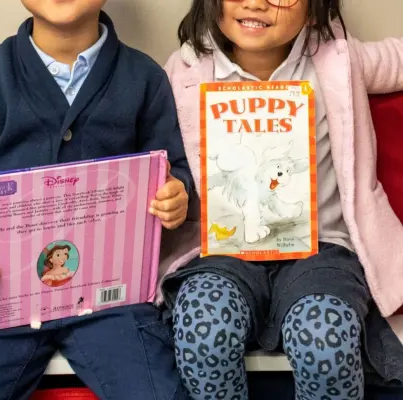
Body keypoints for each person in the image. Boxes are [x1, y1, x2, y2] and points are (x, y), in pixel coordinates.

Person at [0, 1, 193, 399]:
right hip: (4, 300)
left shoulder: (143, 78)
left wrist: (178, 196)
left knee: (158, 391)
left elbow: (174, 169)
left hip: (111, 302)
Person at [158, 0, 403, 399]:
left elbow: (396, 59)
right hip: (222, 251)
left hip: (322, 253)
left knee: (324, 338)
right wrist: (173, 192)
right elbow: (162, 157)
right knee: (204, 330)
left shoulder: (339, 60)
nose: (256, 2)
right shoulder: (183, 72)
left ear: (313, 7)